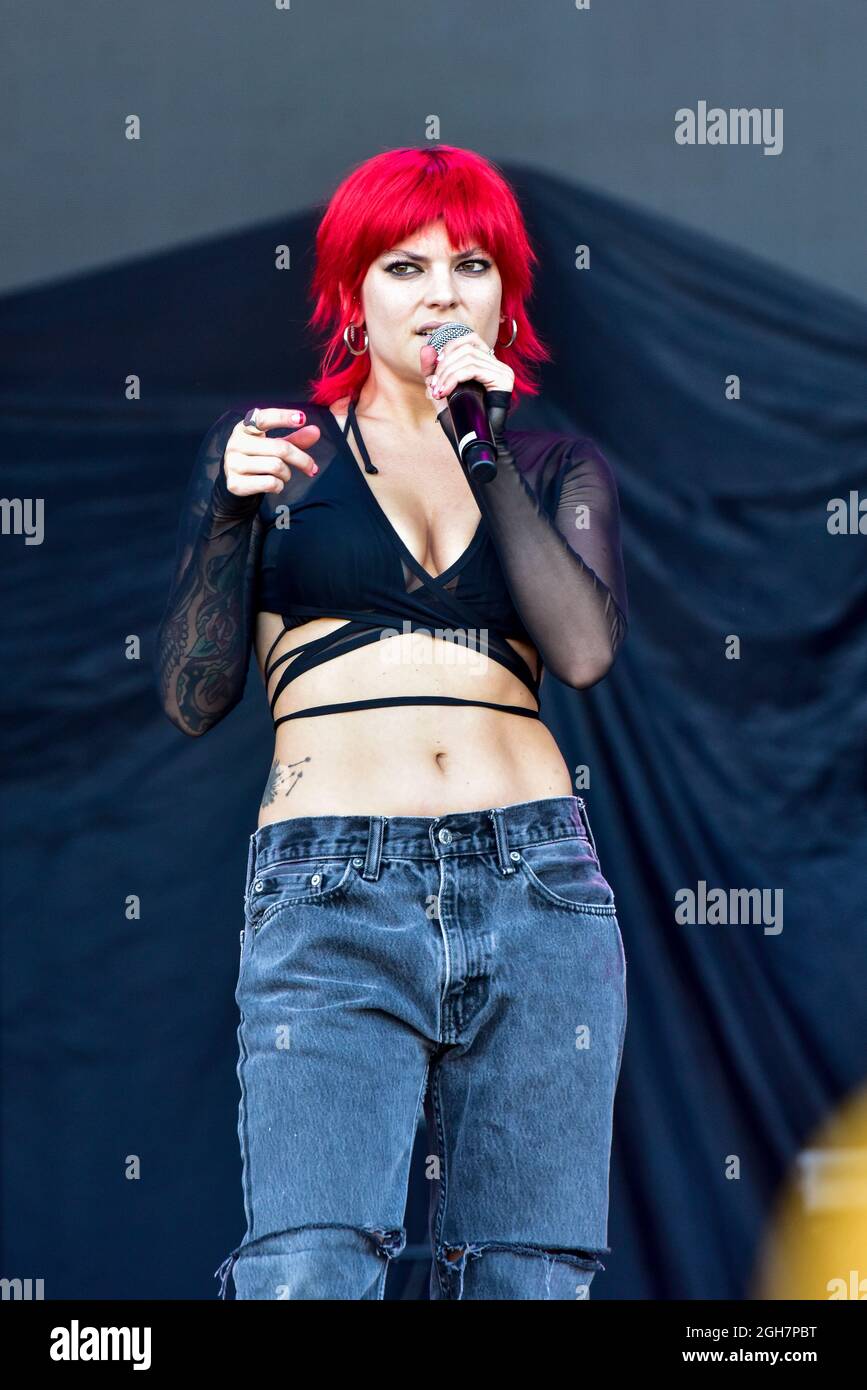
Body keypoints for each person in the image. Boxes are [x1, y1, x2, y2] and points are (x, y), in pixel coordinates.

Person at [155, 144, 629, 1301]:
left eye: (470, 265)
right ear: (351, 293)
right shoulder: (282, 456)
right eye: (404, 265)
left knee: (529, 1277)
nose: (439, 293)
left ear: (504, 297)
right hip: (334, 886)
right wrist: (225, 514)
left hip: (538, 888)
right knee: (310, 1264)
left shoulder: (551, 462)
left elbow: (580, 651)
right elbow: (191, 695)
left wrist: (487, 446)